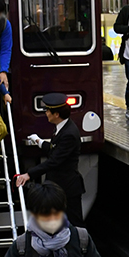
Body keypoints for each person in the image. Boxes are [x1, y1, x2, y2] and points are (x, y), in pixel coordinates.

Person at [15, 93, 86, 226]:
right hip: (59, 186)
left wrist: (29, 174)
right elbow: (55, 149)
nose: (46, 113)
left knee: (74, 223)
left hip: (67, 187)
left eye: (48, 110)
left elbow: (55, 160)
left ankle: (79, 246)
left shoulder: (69, 134)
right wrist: (39, 141)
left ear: (56, 114)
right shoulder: (63, 127)